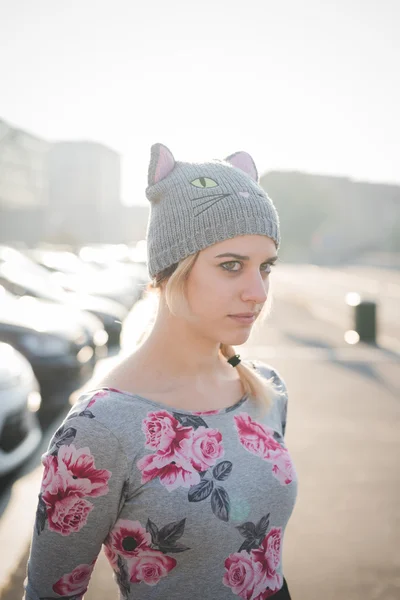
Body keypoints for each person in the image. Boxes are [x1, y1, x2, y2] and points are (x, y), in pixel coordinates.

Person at [24, 143, 298, 599]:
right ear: (173, 271)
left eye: (265, 267)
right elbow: (49, 593)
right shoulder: (101, 429)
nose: (257, 291)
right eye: (231, 266)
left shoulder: (265, 390)